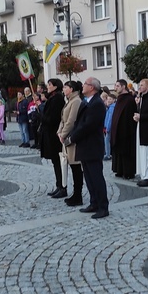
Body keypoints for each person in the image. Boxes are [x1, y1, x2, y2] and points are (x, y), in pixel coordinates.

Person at [69, 77, 109, 219]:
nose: (83, 86)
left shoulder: (97, 103)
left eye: (85, 84)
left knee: (96, 177)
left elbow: (88, 125)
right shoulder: (87, 102)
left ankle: (103, 206)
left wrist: (72, 138)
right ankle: (94, 202)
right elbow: (78, 122)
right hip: (85, 145)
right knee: (88, 176)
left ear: (92, 87)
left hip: (92, 146)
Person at [57, 80, 83, 205]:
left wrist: (63, 134)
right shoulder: (69, 101)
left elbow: (71, 120)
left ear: (71, 89)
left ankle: (78, 195)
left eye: (65, 87)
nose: (63, 90)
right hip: (66, 138)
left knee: (76, 167)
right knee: (72, 166)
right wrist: (59, 131)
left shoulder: (76, 101)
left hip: (72, 139)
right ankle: (75, 194)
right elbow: (63, 119)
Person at [40, 78, 65, 196]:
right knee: (55, 162)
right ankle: (58, 185)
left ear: (55, 86)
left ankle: (62, 186)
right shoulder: (52, 98)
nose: (47, 86)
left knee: (58, 161)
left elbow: (54, 118)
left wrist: (42, 116)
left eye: (49, 84)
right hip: (50, 133)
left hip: (54, 134)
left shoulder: (57, 99)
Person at [110, 79, 137, 180]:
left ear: (123, 87)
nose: (115, 88)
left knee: (126, 151)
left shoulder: (129, 100)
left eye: (117, 86)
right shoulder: (120, 99)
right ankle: (119, 169)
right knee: (118, 150)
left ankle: (128, 171)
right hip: (118, 130)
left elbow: (130, 116)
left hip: (126, 130)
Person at [103, 94, 115, 160]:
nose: (109, 100)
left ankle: (108, 154)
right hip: (108, 126)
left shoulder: (111, 108)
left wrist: (107, 127)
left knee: (107, 140)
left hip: (109, 127)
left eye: (110, 99)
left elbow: (110, 119)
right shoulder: (110, 107)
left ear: (114, 100)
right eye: (108, 99)